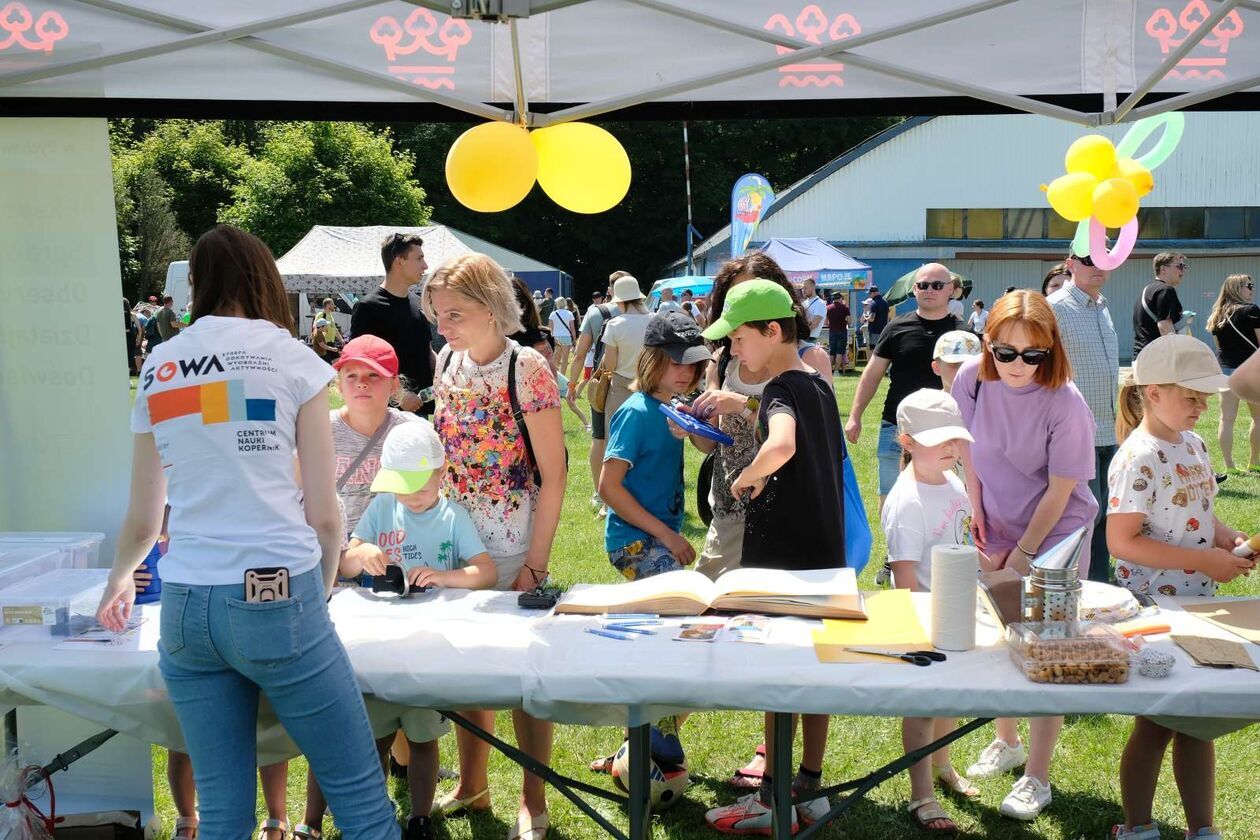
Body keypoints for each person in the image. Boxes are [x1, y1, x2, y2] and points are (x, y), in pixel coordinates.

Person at [96, 224, 398, 839]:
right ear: (263, 277)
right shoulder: (291, 358)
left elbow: (143, 519)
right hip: (274, 594)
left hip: (185, 608)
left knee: (222, 813)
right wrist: (318, 591)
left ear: (201, 285)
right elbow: (324, 512)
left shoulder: (160, 364)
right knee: (360, 801)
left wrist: (116, 580)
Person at [424, 253, 565, 840]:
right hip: (452, 538)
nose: (443, 326)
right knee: (466, 666)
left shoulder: (527, 365)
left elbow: (554, 475)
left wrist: (536, 561)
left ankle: (534, 801)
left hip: (511, 539)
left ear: (492, 308)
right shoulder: (446, 361)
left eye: (454, 313)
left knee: (522, 675)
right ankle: (474, 785)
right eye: (437, 313)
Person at [700, 279, 846, 834]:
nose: (733, 351)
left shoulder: (783, 387)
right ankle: (808, 786)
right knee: (809, 677)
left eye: (738, 339)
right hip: (821, 558)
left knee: (776, 677)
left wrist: (745, 478)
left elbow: (781, 443)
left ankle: (771, 801)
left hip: (782, 564)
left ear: (772, 331)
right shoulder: (818, 382)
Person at [952, 290, 1098, 821]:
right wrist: (977, 512)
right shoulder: (970, 377)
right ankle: (1006, 740)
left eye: (1031, 354)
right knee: (998, 638)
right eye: (1005, 351)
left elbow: (1061, 492)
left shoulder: (1066, 402)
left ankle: (1038, 775)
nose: (1017, 365)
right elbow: (967, 449)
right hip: (996, 521)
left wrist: (1023, 556)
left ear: (1050, 350)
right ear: (987, 344)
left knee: (1044, 651)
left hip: (1055, 533)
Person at [1106, 335, 1254, 840]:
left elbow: (1199, 515)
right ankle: (1138, 827)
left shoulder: (1193, 444)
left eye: (1205, 396)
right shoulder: (1138, 457)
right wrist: (1202, 561)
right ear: (1152, 393)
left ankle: (1203, 828)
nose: (1202, 405)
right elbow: (1122, 542)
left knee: (1201, 716)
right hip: (1155, 611)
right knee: (1157, 721)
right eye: (1191, 395)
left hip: (1199, 604)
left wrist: (1227, 538)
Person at [344, 421, 497, 840]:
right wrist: (362, 553)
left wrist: (443, 577)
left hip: (431, 647)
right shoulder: (381, 508)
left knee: (424, 733)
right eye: (402, 485)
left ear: (441, 473)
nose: (410, 496)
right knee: (374, 733)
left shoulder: (452, 516)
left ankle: (420, 818)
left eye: (420, 486)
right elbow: (344, 561)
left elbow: (484, 571)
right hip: (381, 645)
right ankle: (374, 812)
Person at [883, 389, 980, 834]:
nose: (949, 447)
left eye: (954, 439)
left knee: (950, 699)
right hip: (924, 621)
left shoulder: (954, 482)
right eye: (937, 440)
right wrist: (914, 634)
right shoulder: (908, 502)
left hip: (957, 613)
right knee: (923, 707)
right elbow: (904, 576)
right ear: (905, 442)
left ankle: (943, 763)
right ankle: (921, 792)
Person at [845, 263, 961, 513]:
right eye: (923, 285)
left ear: (950, 289)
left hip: (947, 428)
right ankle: (894, 551)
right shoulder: (896, 327)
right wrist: (855, 416)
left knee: (946, 496)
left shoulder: (962, 333)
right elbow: (872, 374)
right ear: (914, 289)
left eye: (937, 285)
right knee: (891, 495)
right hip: (896, 426)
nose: (929, 290)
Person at [600, 311, 707, 579]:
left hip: (659, 535)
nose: (686, 372)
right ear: (651, 360)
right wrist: (668, 536)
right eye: (675, 363)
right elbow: (608, 487)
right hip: (633, 539)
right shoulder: (636, 413)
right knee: (678, 597)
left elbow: (707, 447)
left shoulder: (672, 406)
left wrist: (697, 419)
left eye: (692, 364)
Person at [1048, 250, 1120, 585]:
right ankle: (1075, 590)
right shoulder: (1056, 307)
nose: (1098, 267)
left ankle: (1099, 589)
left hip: (1110, 433)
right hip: (1077, 437)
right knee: (1079, 522)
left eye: (1105, 260)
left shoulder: (1103, 306)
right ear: (1070, 264)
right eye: (1089, 260)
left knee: (1105, 520)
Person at [350, 233, 437, 416]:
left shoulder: (417, 303)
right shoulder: (368, 307)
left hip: (421, 411)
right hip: (383, 414)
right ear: (399, 261)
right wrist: (399, 396)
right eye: (419, 258)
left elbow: (427, 351)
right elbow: (360, 364)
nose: (425, 265)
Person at [567, 272, 625, 509]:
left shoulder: (596, 312)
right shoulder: (644, 314)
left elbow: (580, 353)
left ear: (610, 289)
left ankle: (600, 494)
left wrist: (572, 384)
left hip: (604, 382)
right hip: (638, 384)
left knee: (600, 438)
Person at [1207, 274, 1260, 473]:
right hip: (1250, 370)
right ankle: (1254, 462)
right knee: (1257, 418)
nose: (1252, 289)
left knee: (1226, 418)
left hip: (1226, 369)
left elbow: (1219, 347)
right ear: (1238, 288)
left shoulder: (1217, 314)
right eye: (1249, 285)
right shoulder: (1252, 310)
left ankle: (1229, 465)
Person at [598, 276, 654, 441]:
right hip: (651, 385)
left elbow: (610, 364)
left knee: (617, 439)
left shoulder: (615, 324)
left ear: (620, 301)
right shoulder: (655, 320)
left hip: (621, 387)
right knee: (647, 439)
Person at [1133, 252, 1187, 357]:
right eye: (1179, 266)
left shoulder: (1148, 290)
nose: (1183, 270)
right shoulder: (1166, 290)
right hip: (1157, 358)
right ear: (1163, 269)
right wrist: (1177, 356)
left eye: (1184, 266)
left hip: (1142, 356)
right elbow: (1165, 327)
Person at [549, 297, 577, 374]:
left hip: (556, 338)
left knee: (556, 359)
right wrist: (574, 340)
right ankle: (563, 375)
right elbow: (572, 329)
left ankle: (556, 375)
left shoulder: (553, 314)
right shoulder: (569, 313)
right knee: (565, 359)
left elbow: (550, 328)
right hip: (566, 337)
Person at [826, 291, 851, 374]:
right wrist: (845, 322)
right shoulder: (845, 308)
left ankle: (829, 371)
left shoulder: (828, 308)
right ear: (840, 298)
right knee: (840, 352)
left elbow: (826, 323)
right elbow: (849, 321)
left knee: (832, 352)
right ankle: (836, 371)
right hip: (842, 331)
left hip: (832, 332)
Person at [802, 277, 826, 343]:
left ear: (813, 288)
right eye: (803, 288)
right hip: (802, 339)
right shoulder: (804, 303)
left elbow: (815, 324)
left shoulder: (820, 303)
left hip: (810, 339)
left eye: (806, 288)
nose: (803, 290)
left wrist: (801, 332)